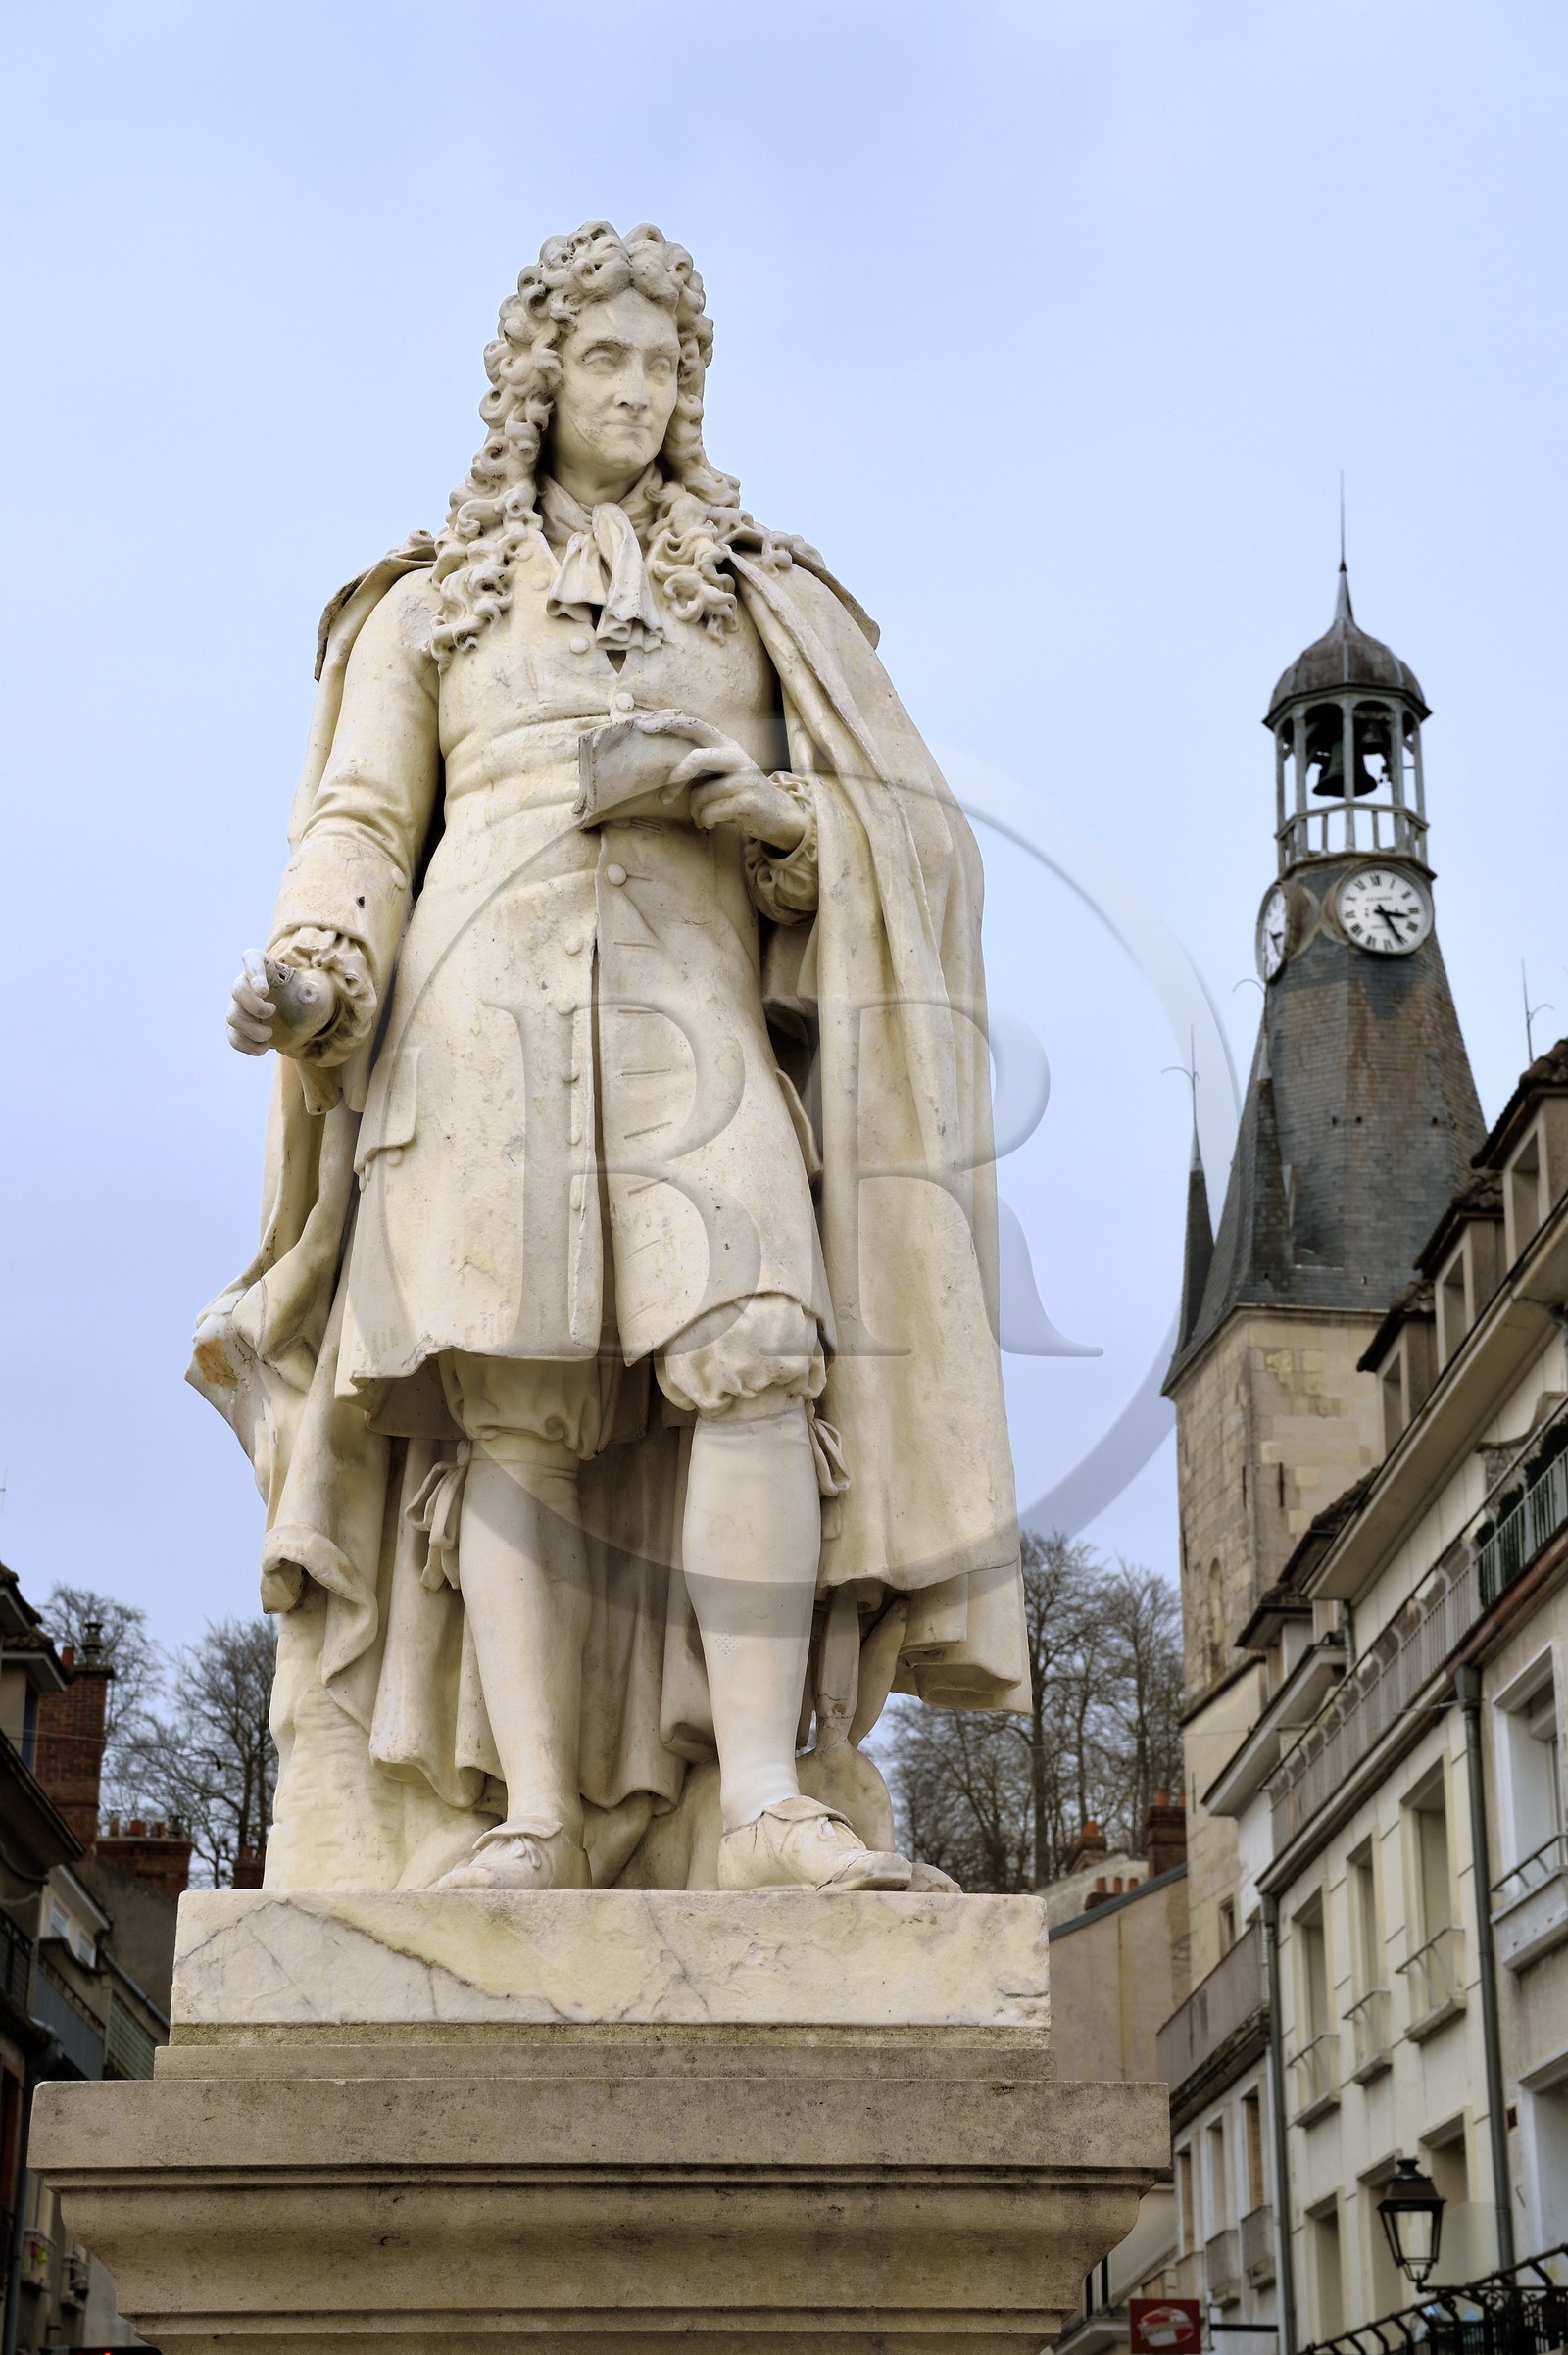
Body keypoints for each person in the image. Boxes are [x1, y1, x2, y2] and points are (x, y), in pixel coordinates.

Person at [194, 221, 1028, 1895]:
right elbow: (361, 820)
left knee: (759, 1355)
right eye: (606, 361)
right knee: (510, 1405)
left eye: (665, 365)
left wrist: (773, 821)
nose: (638, 394)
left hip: (695, 1021)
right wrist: (314, 966)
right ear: (536, 379)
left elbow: (904, 841)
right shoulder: (428, 601)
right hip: (476, 1016)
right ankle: (529, 1818)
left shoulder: (768, 597)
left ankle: (770, 1803)